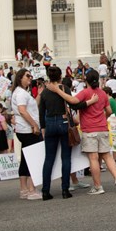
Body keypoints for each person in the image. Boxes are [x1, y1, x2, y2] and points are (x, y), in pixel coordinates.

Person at [38, 65, 91, 200]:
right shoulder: (64, 89)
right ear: (60, 76)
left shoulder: (44, 92)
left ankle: (45, 190)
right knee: (65, 158)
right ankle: (65, 189)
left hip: (49, 123)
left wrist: (43, 128)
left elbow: (41, 112)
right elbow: (74, 105)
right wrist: (89, 102)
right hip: (63, 123)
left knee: (49, 158)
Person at [75, 69, 116, 194]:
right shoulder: (102, 93)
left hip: (89, 129)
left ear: (86, 80)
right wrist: (101, 114)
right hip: (103, 128)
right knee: (107, 156)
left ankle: (98, 186)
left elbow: (73, 101)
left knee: (93, 158)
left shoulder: (85, 93)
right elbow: (108, 111)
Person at [9, 70, 42, 200]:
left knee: (24, 158)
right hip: (28, 129)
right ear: (20, 78)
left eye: (31, 76)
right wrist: (34, 125)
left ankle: (23, 189)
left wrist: (39, 95)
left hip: (23, 129)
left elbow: (30, 108)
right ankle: (31, 189)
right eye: (27, 76)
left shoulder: (19, 92)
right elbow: (23, 111)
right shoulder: (21, 93)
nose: (30, 78)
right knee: (33, 158)